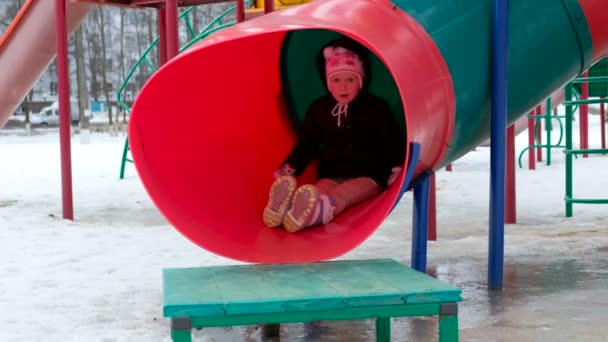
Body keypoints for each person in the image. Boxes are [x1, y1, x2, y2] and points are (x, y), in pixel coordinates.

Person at [263, 38, 405, 233]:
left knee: (342, 195)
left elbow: (390, 137)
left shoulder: (375, 108)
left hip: (368, 174)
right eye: (336, 80)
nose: (343, 87)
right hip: (330, 172)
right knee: (317, 192)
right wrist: (290, 170)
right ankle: (285, 209)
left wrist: (397, 167)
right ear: (328, 83)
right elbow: (307, 143)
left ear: (361, 81)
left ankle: (311, 214)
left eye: (350, 80)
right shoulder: (320, 109)